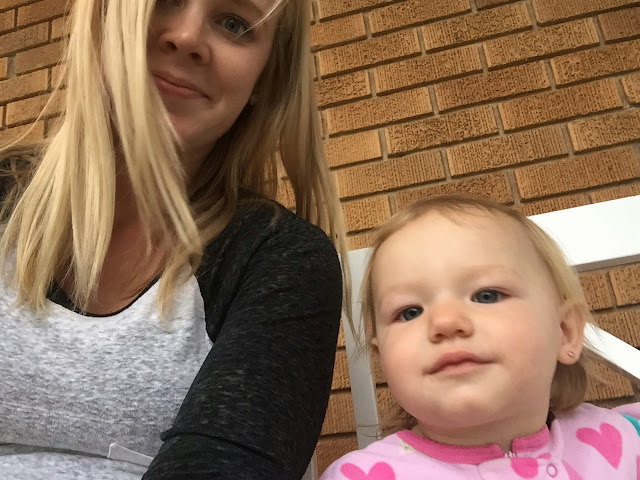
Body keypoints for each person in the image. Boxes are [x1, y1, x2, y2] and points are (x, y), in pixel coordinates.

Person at [0, 0, 350, 478]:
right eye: (164, 0)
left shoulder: (281, 258)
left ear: (264, 80)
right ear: (101, 16)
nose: (186, 38)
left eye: (234, 23)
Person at [320, 194, 640, 479]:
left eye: (487, 295)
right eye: (409, 312)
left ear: (565, 332)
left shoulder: (626, 440)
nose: (445, 322)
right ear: (383, 358)